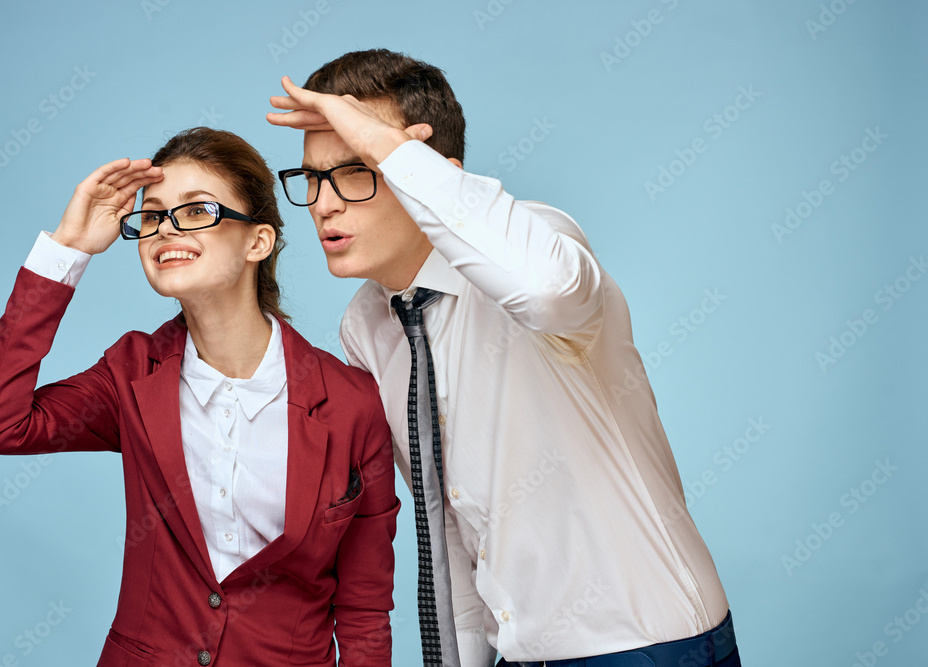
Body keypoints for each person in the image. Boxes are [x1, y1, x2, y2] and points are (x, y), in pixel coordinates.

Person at [267, 50, 741, 667]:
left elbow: (546, 290)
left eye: (358, 168)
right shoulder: (368, 324)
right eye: (312, 177)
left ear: (431, 172)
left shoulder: (541, 242)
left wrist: (392, 151)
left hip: (646, 644)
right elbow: (446, 522)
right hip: (516, 652)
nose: (324, 204)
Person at [0, 127, 399, 667]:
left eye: (196, 211)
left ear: (258, 242)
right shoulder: (130, 374)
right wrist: (67, 248)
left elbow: (363, 607)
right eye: (152, 216)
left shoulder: (352, 403)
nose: (166, 228)